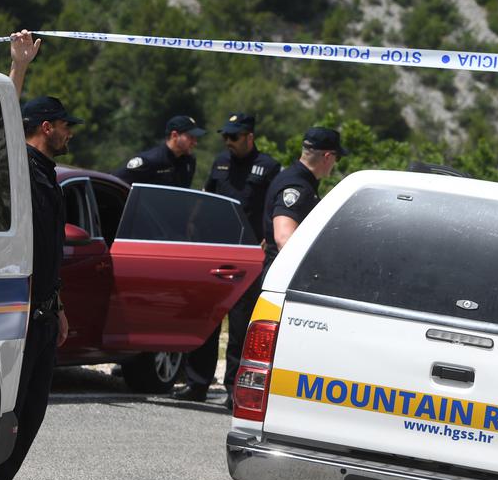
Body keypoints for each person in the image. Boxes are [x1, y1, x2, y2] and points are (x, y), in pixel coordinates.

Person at [0, 32, 77, 480]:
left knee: (31, 411)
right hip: (16, 312)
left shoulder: (49, 174)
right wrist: (19, 67)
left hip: (42, 312)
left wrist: (59, 306)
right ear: (44, 127)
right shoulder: (16, 166)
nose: (70, 133)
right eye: (64, 125)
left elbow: (49, 251)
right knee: (9, 408)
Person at [174, 112, 282, 404]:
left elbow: (274, 209)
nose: (228, 142)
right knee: (207, 319)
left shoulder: (268, 167)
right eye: (225, 136)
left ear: (250, 137)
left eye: (234, 137)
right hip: (218, 251)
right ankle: (197, 383)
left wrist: (267, 240)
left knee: (239, 326)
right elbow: (206, 200)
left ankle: (234, 389)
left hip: (249, 255)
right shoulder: (220, 162)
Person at [263, 126, 349, 262]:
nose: (335, 163)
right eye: (337, 157)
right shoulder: (297, 187)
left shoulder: (292, 177)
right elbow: (283, 238)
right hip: (286, 273)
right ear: (327, 157)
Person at [115, 114, 205, 187]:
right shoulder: (149, 160)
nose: (195, 143)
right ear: (174, 135)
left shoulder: (189, 162)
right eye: (190, 137)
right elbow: (115, 183)